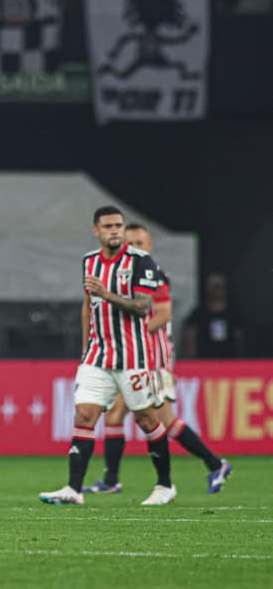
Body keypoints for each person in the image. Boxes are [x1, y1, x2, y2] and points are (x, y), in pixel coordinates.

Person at [39, 205, 175, 506]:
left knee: (145, 417)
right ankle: (74, 489)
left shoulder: (142, 262)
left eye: (119, 225)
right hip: (98, 355)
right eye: (109, 226)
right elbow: (88, 304)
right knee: (84, 415)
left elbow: (142, 307)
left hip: (134, 356)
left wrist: (107, 293)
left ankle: (165, 485)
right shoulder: (89, 261)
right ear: (96, 231)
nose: (115, 230)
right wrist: (87, 344)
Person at [83, 223, 232, 496]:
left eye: (141, 243)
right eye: (132, 243)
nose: (136, 248)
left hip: (153, 359)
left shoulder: (155, 276)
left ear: (150, 247)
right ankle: (111, 480)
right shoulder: (125, 277)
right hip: (134, 359)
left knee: (166, 423)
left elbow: (163, 315)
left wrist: (127, 332)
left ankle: (212, 465)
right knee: (116, 415)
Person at [183, 272, 245, 359]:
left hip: (229, 361)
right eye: (213, 287)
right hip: (205, 361)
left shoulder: (233, 314)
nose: (216, 290)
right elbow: (190, 337)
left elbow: (239, 339)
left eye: (218, 286)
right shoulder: (198, 314)